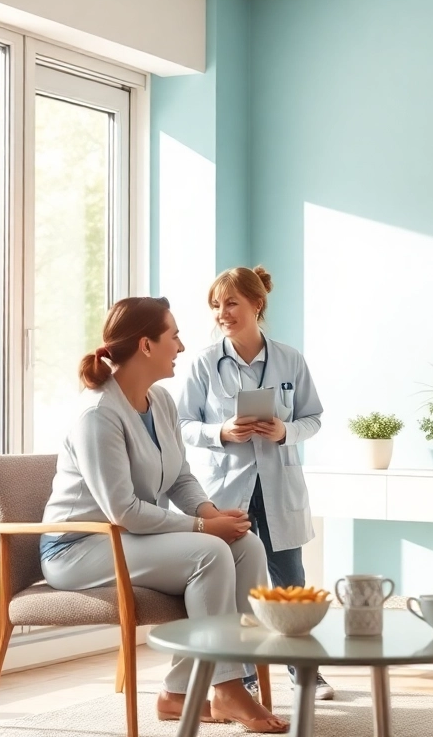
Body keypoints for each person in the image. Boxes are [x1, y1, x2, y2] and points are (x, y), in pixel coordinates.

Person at [39, 296, 288, 734]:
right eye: (173, 335)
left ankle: (178, 692)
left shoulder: (161, 401)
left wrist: (212, 513)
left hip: (128, 539)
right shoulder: (98, 414)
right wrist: (201, 527)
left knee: (245, 545)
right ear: (146, 345)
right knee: (208, 553)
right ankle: (227, 687)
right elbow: (124, 510)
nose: (182, 345)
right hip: (80, 548)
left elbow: (179, 478)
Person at [176, 266, 332, 699]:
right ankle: (243, 675)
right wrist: (220, 432)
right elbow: (183, 424)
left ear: (256, 304)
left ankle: (304, 672)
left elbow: (313, 417)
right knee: (237, 584)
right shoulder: (205, 363)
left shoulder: (289, 359)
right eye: (216, 305)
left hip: (279, 486)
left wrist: (286, 432)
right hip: (227, 490)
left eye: (231, 303)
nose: (222, 313)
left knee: (291, 585)